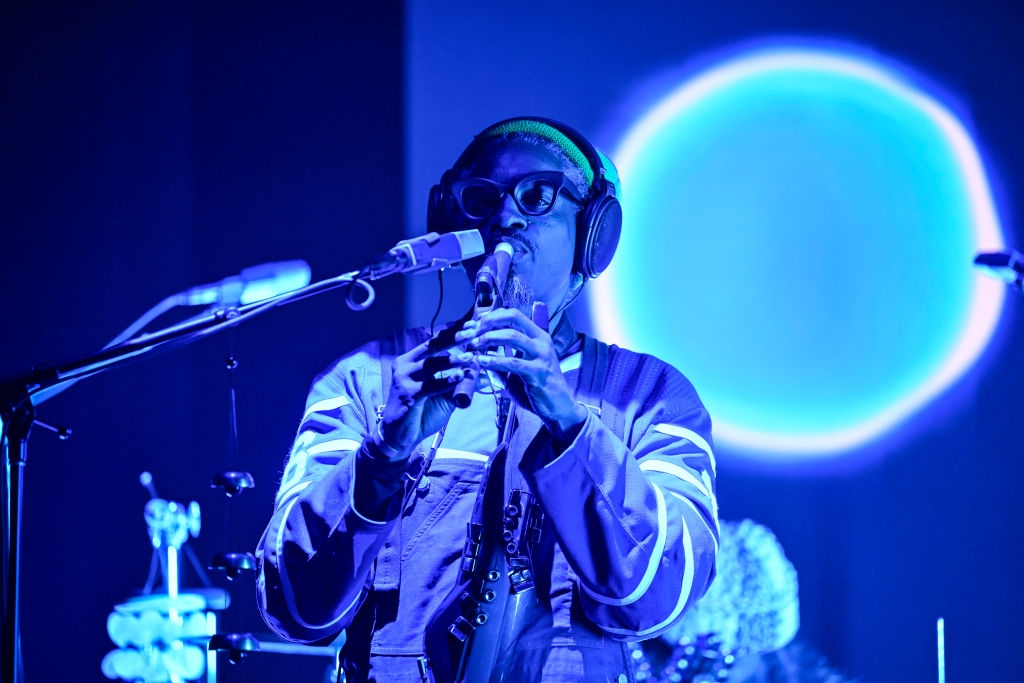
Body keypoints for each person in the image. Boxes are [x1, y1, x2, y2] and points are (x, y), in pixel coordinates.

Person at [256, 116, 720, 683]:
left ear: (594, 232)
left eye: (537, 195)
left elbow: (657, 598)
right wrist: (383, 452)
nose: (506, 217)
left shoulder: (653, 397)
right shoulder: (364, 381)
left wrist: (569, 424)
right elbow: (291, 607)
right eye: (481, 199)